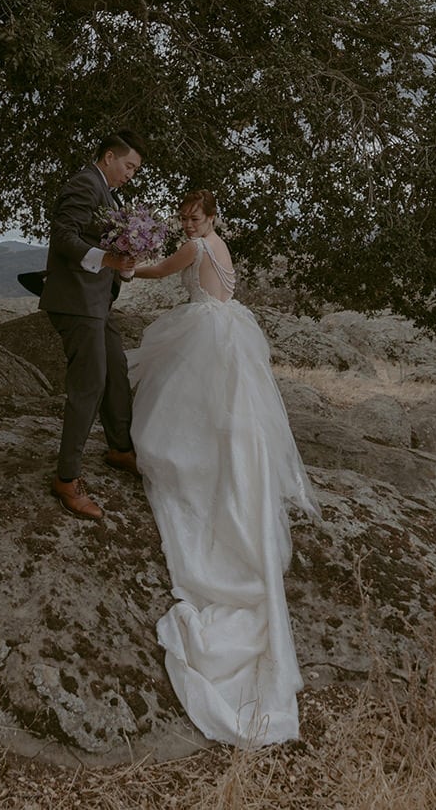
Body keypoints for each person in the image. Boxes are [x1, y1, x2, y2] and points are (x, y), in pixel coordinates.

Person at [127, 190, 317, 747]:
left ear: (211, 218)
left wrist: (123, 263)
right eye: (184, 216)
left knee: (185, 407)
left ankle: (189, 466)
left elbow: (161, 271)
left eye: (196, 216)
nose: (188, 223)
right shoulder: (220, 245)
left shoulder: (195, 247)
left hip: (208, 331)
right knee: (220, 412)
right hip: (229, 327)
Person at [40, 131, 147, 520]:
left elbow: (105, 247)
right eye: (129, 166)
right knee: (90, 383)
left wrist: (126, 263)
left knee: (116, 368)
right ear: (108, 157)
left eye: (135, 169)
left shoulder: (110, 194)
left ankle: (120, 447)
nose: (131, 174)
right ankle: (67, 479)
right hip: (76, 300)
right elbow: (63, 235)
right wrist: (109, 261)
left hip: (98, 301)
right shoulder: (85, 183)